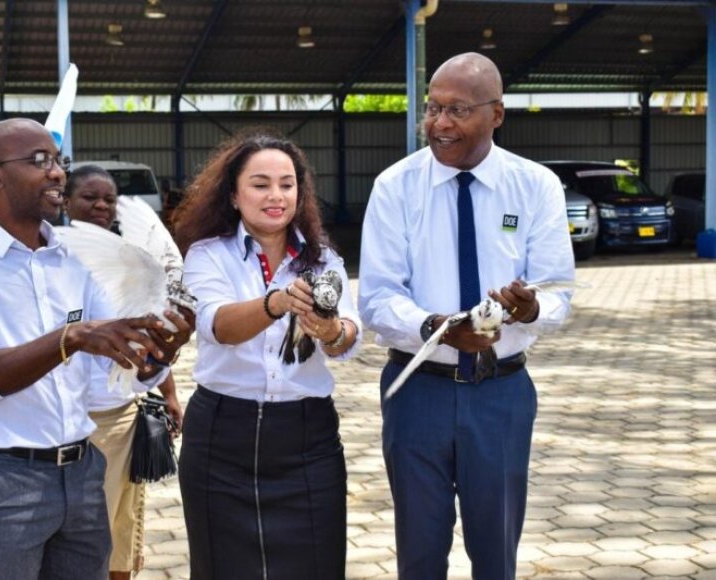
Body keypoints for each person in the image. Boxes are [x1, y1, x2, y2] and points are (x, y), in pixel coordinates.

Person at [0, 118, 192, 580]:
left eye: (58, 161)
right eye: (39, 161)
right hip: (0, 484)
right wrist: (71, 337)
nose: (58, 172)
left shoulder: (78, 258)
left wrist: (160, 350)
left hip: (84, 474)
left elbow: (108, 383)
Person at [358, 52, 575, 579]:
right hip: (418, 391)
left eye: (457, 110)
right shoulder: (395, 187)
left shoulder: (535, 185)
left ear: (496, 114)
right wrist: (437, 328)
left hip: (500, 395)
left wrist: (531, 307)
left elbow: (558, 293)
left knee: (496, 552)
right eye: (433, 108)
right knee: (420, 552)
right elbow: (378, 298)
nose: (440, 123)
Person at [173, 131, 361, 580]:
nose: (276, 195)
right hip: (221, 437)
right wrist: (275, 303)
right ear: (234, 195)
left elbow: (348, 341)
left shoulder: (325, 260)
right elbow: (216, 325)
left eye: (287, 183)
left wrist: (331, 330)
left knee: (317, 567)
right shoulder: (207, 255)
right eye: (260, 184)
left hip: (307, 439)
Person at [62, 164, 185, 579]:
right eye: (89, 198)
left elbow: (147, 328)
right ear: (65, 201)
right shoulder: (52, 257)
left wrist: (169, 394)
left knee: (123, 529)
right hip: (77, 420)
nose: (101, 205)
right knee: (87, 535)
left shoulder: (126, 257)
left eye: (109, 200)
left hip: (122, 413)